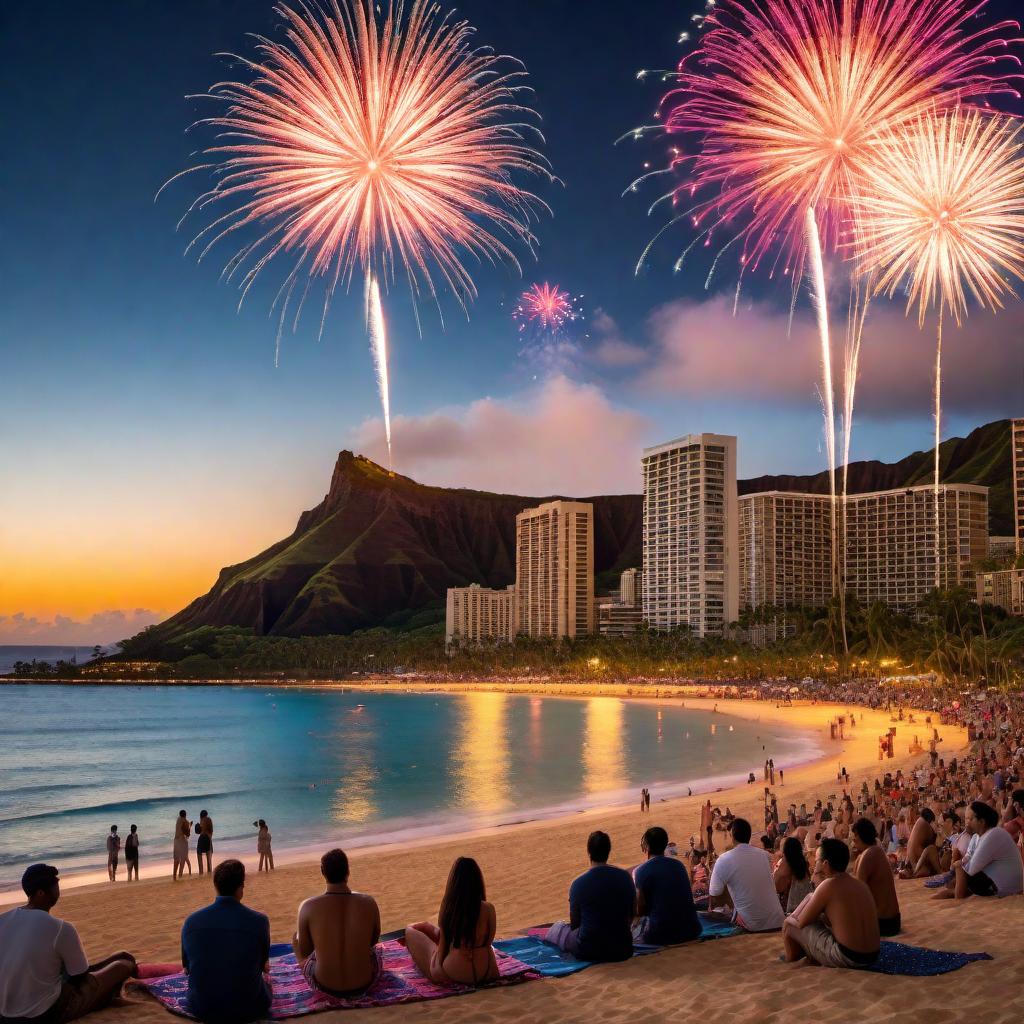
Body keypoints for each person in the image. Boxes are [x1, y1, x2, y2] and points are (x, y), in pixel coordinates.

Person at [0, 863, 137, 1023]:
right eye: (55, 886)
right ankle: (105, 997)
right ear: (41, 893)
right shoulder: (60, 928)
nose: (58, 890)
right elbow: (79, 976)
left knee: (119, 956)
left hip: (4, 1014)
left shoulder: (3, 919)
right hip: (43, 1012)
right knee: (124, 964)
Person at [181, 860, 271, 1024]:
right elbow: (263, 966)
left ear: (215, 886)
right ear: (241, 887)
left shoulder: (191, 922)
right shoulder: (260, 921)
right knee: (267, 984)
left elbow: (186, 969)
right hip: (250, 1008)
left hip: (202, 1007)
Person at [292, 849, 381, 998]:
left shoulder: (307, 906)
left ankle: (300, 963)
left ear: (323, 872)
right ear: (348, 871)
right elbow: (373, 942)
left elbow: (306, 951)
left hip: (325, 985)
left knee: (298, 944)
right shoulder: (369, 902)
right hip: (364, 983)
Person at [782, 839, 880, 969]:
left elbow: (801, 923)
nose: (814, 864)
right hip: (873, 955)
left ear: (825, 863)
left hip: (848, 957)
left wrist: (789, 919)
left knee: (790, 926)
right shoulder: (860, 885)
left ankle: (790, 960)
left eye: (816, 860)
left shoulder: (828, 885)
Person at [405, 857, 497, 986]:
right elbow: (488, 943)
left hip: (454, 971)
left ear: (454, 883)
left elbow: (443, 946)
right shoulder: (488, 908)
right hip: (485, 970)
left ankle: (413, 930)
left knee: (410, 931)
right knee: (432, 931)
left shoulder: (450, 908)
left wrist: (436, 965)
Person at [546, 831, 636, 962]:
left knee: (558, 930)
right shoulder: (625, 877)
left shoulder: (578, 883)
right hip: (623, 948)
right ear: (608, 851)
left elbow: (575, 924)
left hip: (588, 951)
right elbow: (632, 913)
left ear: (589, 852)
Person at [707, 818, 784, 932]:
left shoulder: (723, 859)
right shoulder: (765, 855)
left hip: (752, 926)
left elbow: (714, 895)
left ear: (732, 834)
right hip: (778, 921)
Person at [632, 826, 701, 945]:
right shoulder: (678, 865)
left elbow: (640, 909)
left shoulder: (639, 871)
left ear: (646, 846)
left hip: (661, 935)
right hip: (691, 930)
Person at [950, 801, 1023, 899]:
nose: (966, 823)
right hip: (1000, 883)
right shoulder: (982, 836)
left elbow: (971, 869)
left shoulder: (992, 835)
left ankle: (957, 902)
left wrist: (958, 864)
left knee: (959, 868)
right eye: (966, 819)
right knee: (954, 881)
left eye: (970, 819)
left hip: (1005, 889)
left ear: (982, 821)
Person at [851, 818, 901, 935]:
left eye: (856, 835)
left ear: (863, 835)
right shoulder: (874, 852)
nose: (854, 838)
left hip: (884, 923)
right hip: (892, 921)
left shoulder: (869, 855)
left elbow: (858, 895)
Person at [774, 837, 814, 914]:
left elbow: (776, 888)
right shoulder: (803, 864)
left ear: (785, 851)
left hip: (790, 911)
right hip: (806, 907)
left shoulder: (784, 867)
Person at [173, 810, 191, 881]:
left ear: (180, 814)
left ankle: (174, 876)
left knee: (176, 859)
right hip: (182, 841)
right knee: (183, 859)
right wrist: (190, 826)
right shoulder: (185, 822)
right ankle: (180, 875)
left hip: (176, 840)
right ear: (185, 815)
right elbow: (187, 834)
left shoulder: (178, 819)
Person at [196, 810, 214, 876]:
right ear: (206, 814)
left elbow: (199, 832)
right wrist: (210, 840)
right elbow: (211, 831)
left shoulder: (201, 820)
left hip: (201, 839)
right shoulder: (209, 820)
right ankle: (209, 873)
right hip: (207, 839)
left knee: (199, 854)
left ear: (201, 815)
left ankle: (201, 873)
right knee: (209, 858)